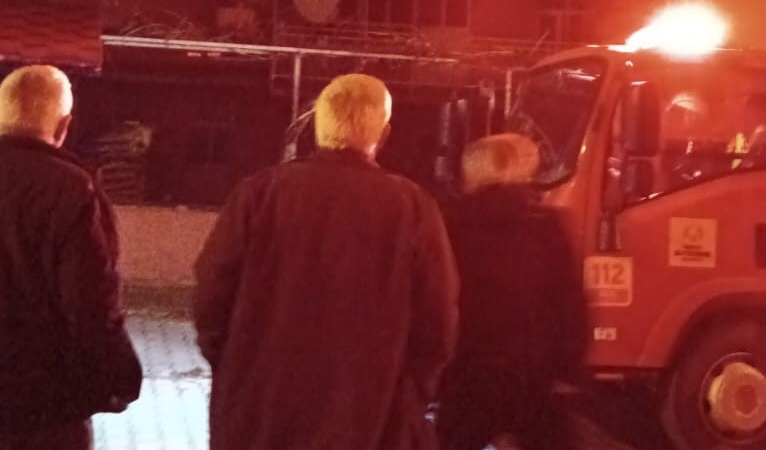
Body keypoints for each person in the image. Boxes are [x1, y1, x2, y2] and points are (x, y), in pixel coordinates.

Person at [194, 73, 459, 450]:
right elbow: (437, 319)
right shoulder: (413, 207)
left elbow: (212, 291)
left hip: (262, 407)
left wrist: (235, 364)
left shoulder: (261, 193)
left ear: (319, 126)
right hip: (372, 414)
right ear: (383, 133)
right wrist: (409, 392)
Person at [0, 65, 142, 450]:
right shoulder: (72, 190)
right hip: (45, 411)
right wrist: (120, 376)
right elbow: (89, 302)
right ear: (64, 126)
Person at [437, 133, 587, 450]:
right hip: (531, 372)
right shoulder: (543, 225)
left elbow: (435, 296)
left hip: (466, 370)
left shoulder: (448, 223)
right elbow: (568, 304)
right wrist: (568, 369)